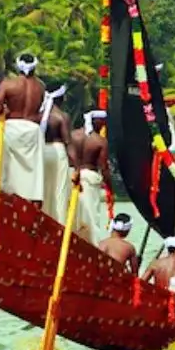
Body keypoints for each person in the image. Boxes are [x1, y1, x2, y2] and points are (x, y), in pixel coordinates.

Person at [0, 54, 48, 206]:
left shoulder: (8, 84)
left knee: (8, 170)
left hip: (12, 127)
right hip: (32, 130)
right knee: (34, 175)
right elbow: (41, 113)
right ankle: (34, 208)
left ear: (18, 65)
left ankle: (5, 202)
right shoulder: (41, 87)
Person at [71, 110, 111, 243]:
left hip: (72, 175)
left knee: (72, 213)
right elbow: (103, 168)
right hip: (89, 178)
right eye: (103, 122)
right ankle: (92, 245)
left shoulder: (73, 135)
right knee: (91, 216)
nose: (103, 125)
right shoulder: (99, 141)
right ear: (97, 121)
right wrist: (110, 186)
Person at [39, 84, 73, 224]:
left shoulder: (39, 114)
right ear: (62, 98)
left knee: (43, 188)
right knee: (59, 191)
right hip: (57, 153)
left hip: (41, 152)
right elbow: (68, 142)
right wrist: (75, 167)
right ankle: (58, 223)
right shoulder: (62, 116)